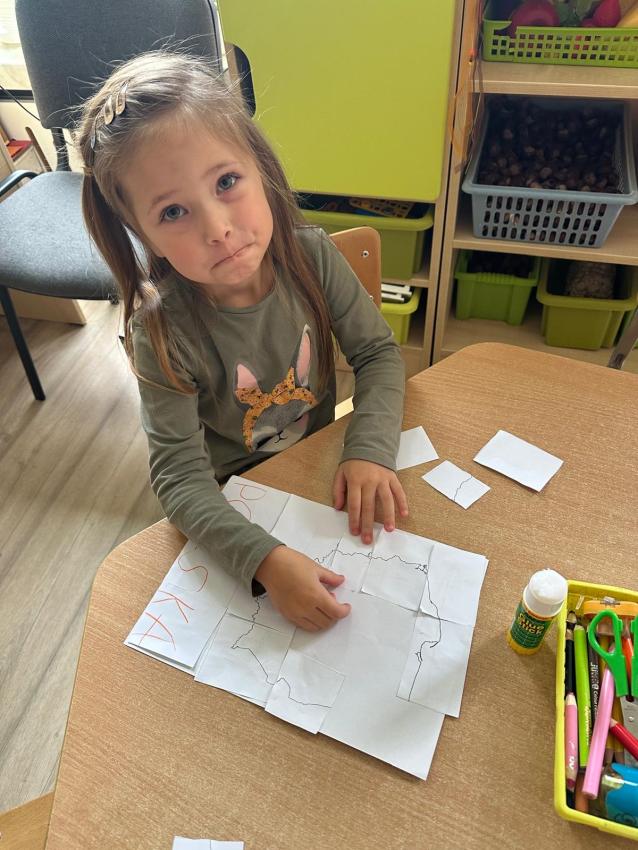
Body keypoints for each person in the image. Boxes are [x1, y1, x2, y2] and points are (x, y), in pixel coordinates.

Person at [78, 51, 408, 632]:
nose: (218, 229)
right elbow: (180, 479)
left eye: (226, 182)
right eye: (173, 211)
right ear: (140, 232)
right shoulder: (162, 330)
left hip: (319, 470)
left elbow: (378, 354)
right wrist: (264, 562)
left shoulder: (311, 256)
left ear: (261, 167)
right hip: (233, 496)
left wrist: (368, 449)